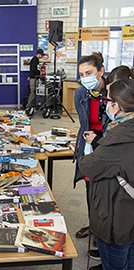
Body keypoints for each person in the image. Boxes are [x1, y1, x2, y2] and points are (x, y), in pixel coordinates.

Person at [78, 78, 134, 270]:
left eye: (107, 101)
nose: (105, 105)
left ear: (117, 106)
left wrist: (92, 147)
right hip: (129, 212)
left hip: (116, 215)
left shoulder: (119, 137)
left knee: (115, 262)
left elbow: (88, 166)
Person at [73, 52, 108, 241]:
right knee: (89, 187)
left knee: (105, 189)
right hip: (88, 146)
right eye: (82, 74)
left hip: (107, 144)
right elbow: (83, 123)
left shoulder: (112, 91)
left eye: (89, 73)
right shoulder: (80, 93)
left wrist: (100, 137)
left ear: (101, 71)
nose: (85, 78)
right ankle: (93, 225)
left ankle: (103, 230)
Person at [25, 48, 44, 116]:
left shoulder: (35, 60)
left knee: (34, 92)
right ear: (38, 54)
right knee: (33, 93)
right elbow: (33, 69)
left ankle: (31, 106)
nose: (42, 56)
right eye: (41, 55)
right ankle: (28, 107)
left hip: (34, 77)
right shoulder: (35, 59)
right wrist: (40, 73)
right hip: (34, 78)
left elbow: (32, 69)